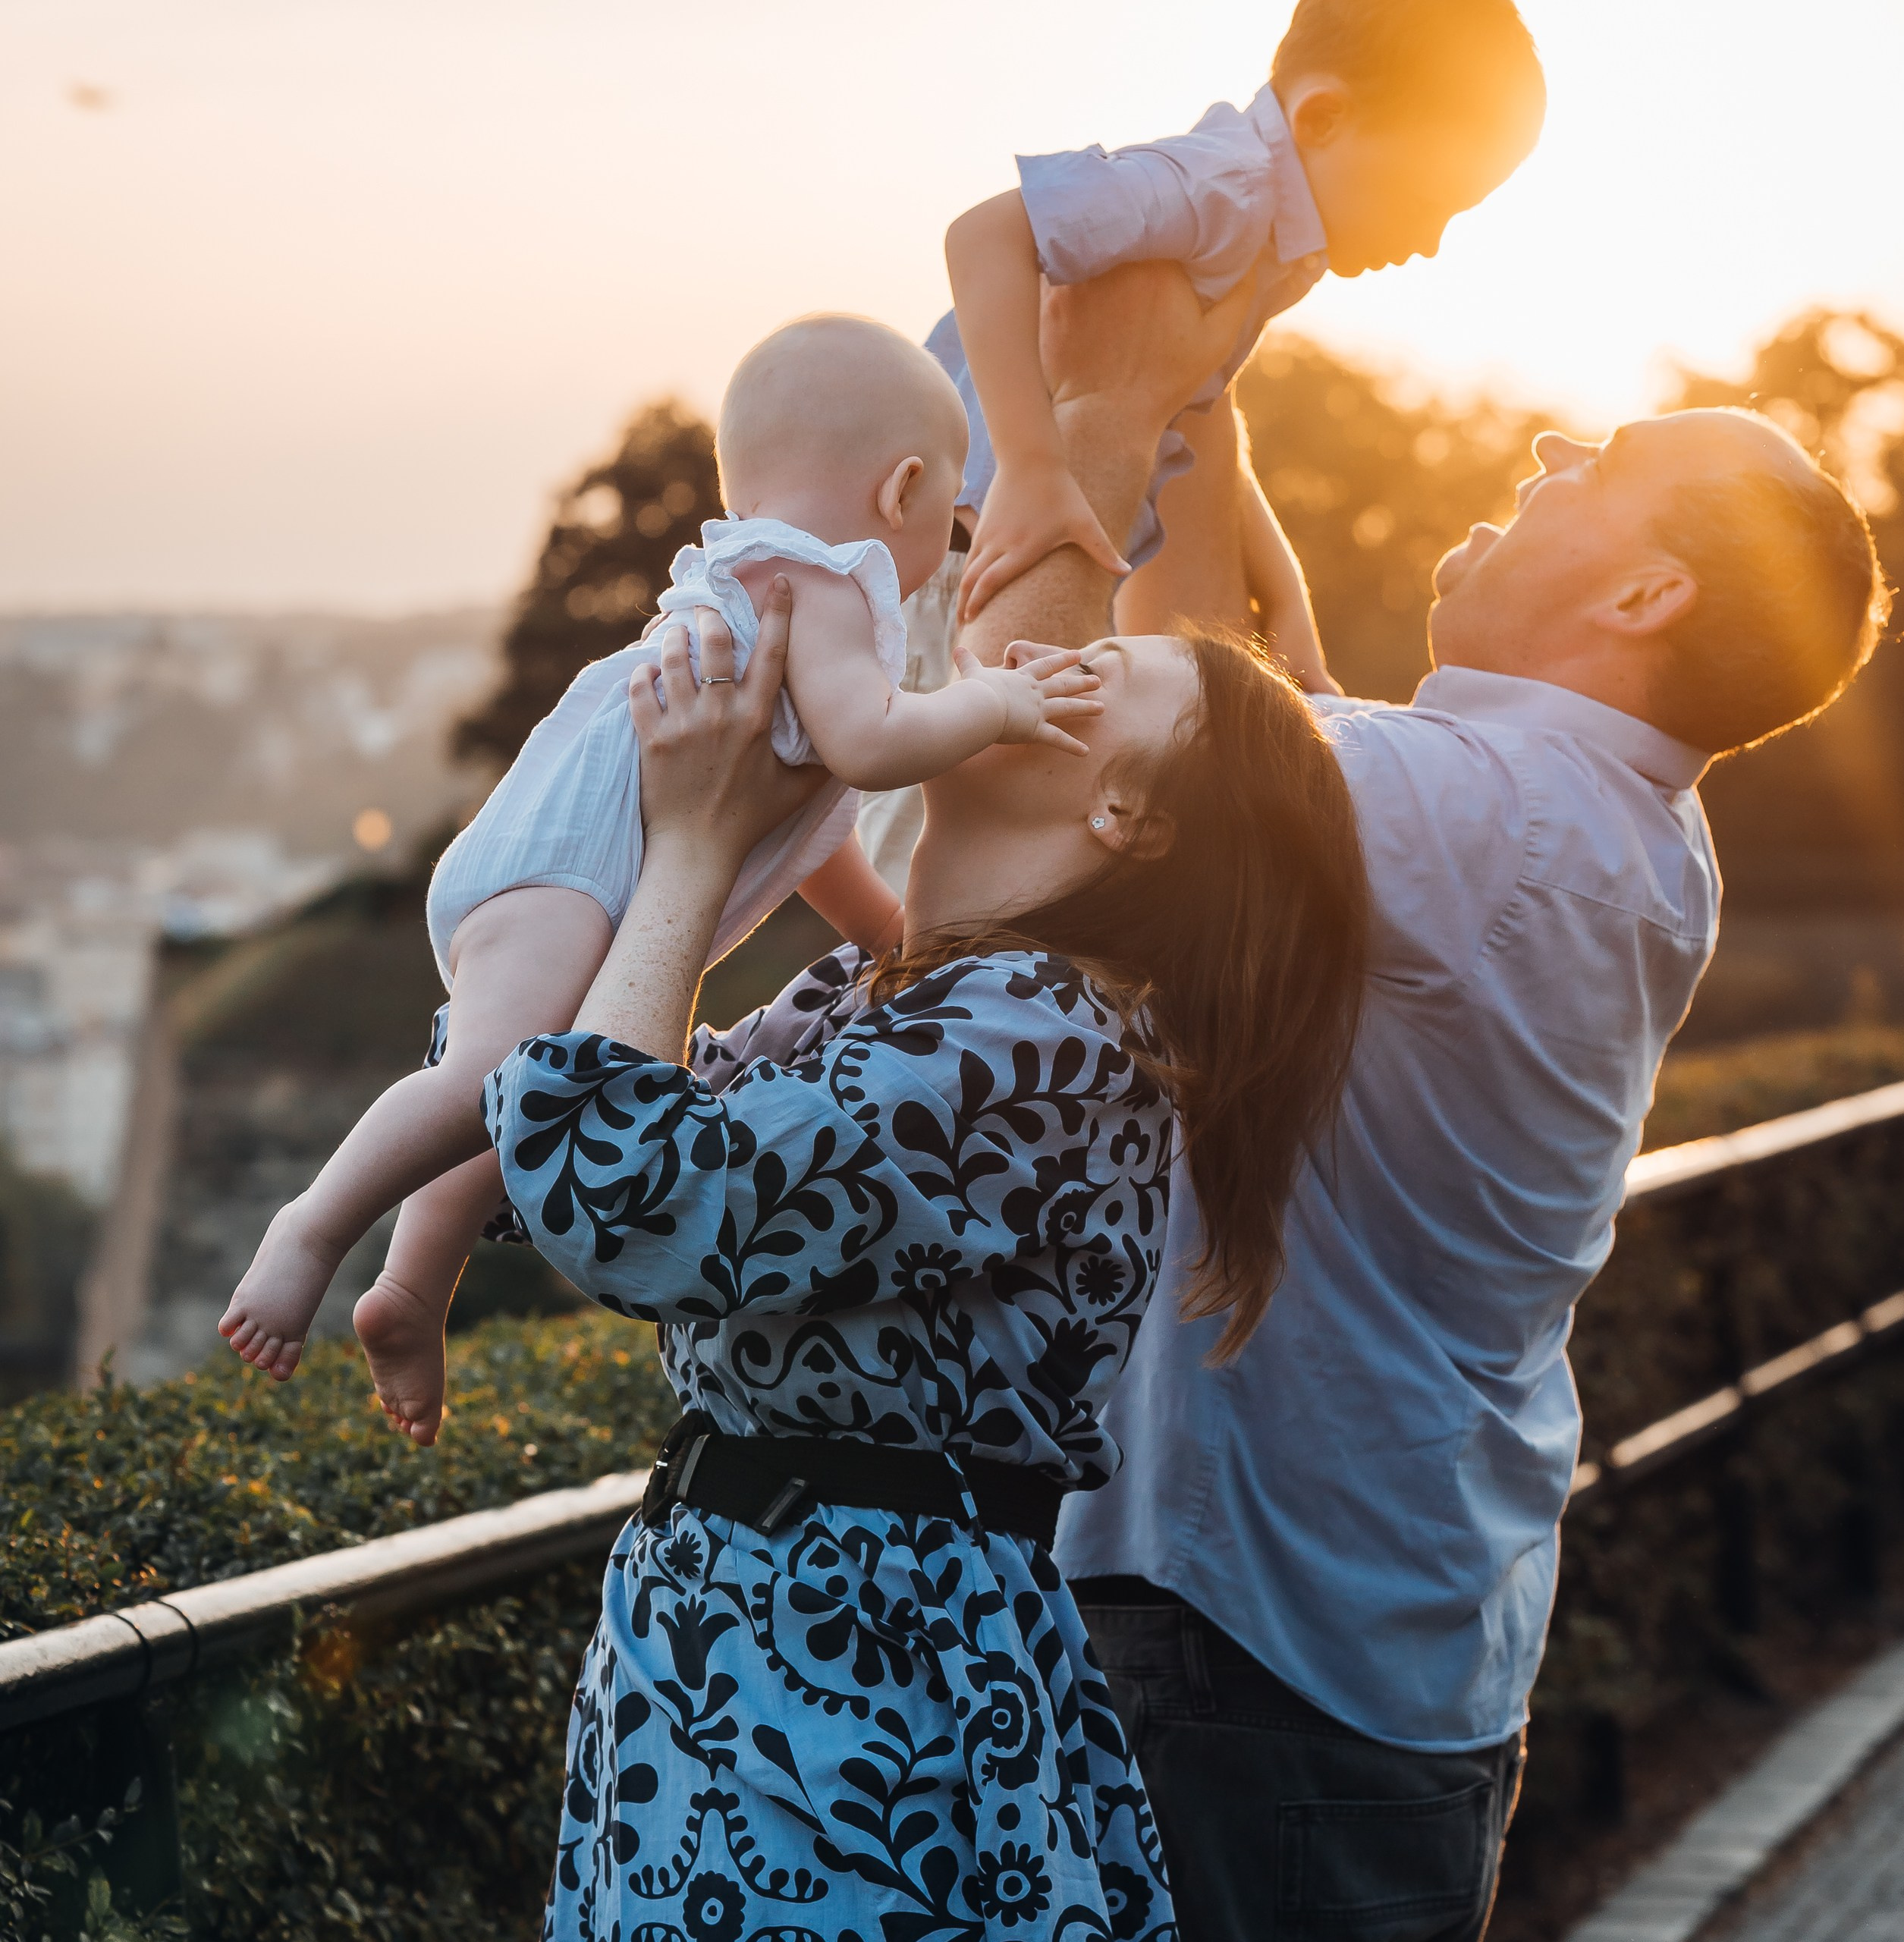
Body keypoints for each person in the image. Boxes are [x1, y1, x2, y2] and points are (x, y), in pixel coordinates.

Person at [486, 278, 1368, 1939]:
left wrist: (688, 848)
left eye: (1096, 674)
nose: (1032, 658)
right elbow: (579, 1126)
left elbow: (613, 1189)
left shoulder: (1035, 1036)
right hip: (772, 1684)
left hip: (839, 1717)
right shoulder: (907, 992)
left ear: (1130, 816)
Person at [1057, 404, 1890, 1940]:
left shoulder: (1481, 817)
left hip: (1254, 1650)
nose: (1550, 452)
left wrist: (1143, 389)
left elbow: (1090, 730)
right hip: (1372, 1640)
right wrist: (1205, 409)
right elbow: (1252, 716)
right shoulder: (1597, 825)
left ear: (1643, 594)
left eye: (1604, 463)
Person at [215, 316, 1103, 1444]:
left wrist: (895, 941)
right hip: (563, 866)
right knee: (494, 1067)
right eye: (953, 515)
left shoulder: (760, 585)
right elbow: (872, 746)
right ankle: (311, 1227)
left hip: (549, 857)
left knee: (518, 1073)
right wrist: (993, 705)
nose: (951, 547)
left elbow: (810, 830)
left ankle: (411, 1285)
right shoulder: (826, 584)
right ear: (905, 489)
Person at [855, 0, 1547, 891]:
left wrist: (1285, 598)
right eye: (1424, 201)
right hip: (967, 551)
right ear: (1322, 118)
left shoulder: (1273, 230)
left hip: (1046, 542)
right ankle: (901, 962)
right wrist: (1031, 464)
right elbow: (987, 233)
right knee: (939, 834)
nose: (1427, 242)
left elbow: (1196, 407)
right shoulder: (1217, 187)